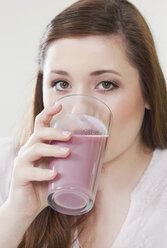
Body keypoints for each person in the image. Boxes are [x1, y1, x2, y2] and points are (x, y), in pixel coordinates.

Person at [0, 0, 167, 247]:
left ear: (148, 92)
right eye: (61, 84)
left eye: (106, 84)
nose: (79, 111)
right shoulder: (8, 165)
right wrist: (17, 213)